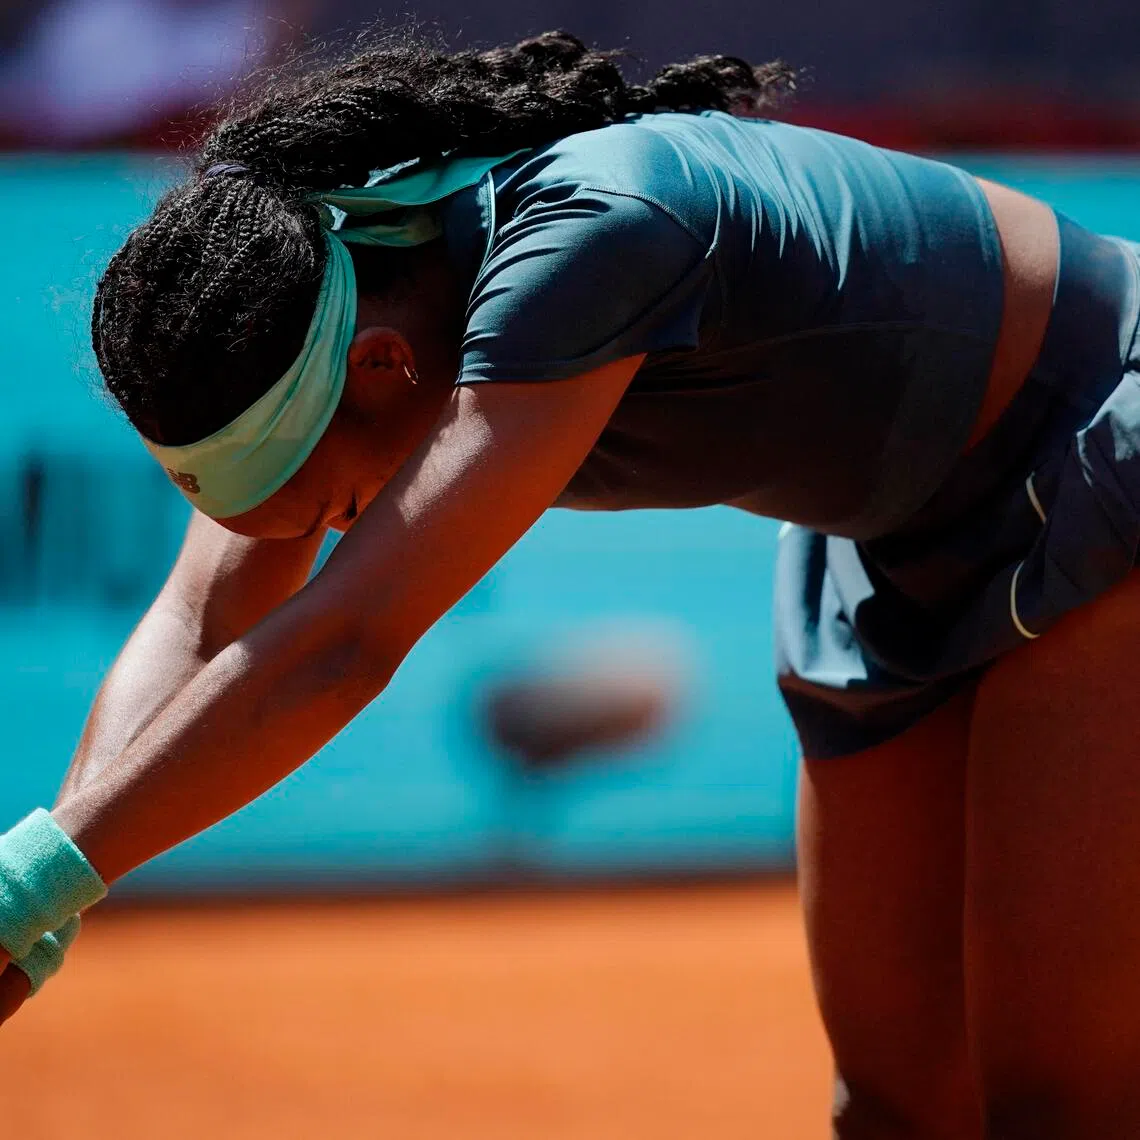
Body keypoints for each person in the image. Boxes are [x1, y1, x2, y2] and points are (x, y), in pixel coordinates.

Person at [0, 28, 1138, 1138]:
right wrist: (40, 890)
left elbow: (347, 641)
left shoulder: (591, 233)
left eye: (334, 513)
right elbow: (203, 622)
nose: (336, 536)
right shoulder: (342, 289)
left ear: (383, 368)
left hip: (1091, 452)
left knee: (1059, 1103)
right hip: (882, 540)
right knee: (893, 1107)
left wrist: (33, 891)